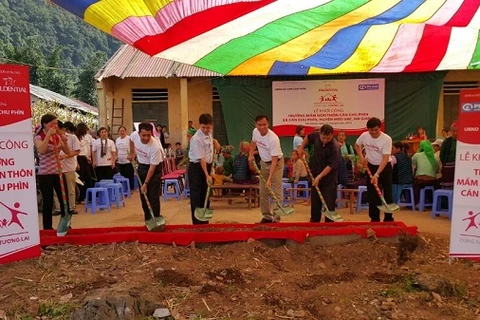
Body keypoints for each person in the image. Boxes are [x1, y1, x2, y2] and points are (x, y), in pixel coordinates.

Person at [34, 114, 72, 230]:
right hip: (45, 174)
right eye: (53, 123)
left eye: (56, 123)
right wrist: (48, 136)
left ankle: (66, 225)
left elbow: (68, 152)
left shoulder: (57, 137)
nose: (55, 126)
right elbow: (41, 150)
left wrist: (64, 141)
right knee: (48, 201)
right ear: (45, 124)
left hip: (58, 173)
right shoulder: (38, 137)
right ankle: (47, 228)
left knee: (64, 199)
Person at [355, 117, 394, 222]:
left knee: (387, 193)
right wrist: (361, 157)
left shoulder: (387, 139)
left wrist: (377, 175)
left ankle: (388, 218)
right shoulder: (364, 136)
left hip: (384, 167)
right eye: (371, 130)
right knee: (372, 195)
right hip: (370, 167)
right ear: (368, 129)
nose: (373, 132)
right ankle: (374, 219)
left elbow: (385, 158)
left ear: (380, 128)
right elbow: (357, 145)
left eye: (376, 130)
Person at [298, 124, 340, 223]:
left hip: (329, 179)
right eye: (323, 138)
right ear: (320, 134)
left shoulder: (335, 147)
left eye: (328, 138)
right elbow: (308, 137)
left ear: (332, 135)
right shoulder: (316, 136)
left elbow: (330, 166)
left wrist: (320, 177)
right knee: (315, 204)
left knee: (329, 205)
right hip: (315, 174)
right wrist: (301, 147)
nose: (325, 140)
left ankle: (329, 227)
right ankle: (314, 223)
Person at [249, 115, 284, 223]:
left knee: (276, 191)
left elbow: (274, 160)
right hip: (264, 163)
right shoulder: (255, 132)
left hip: (276, 164)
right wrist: (250, 155)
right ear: (256, 125)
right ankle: (267, 216)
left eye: (264, 124)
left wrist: (269, 179)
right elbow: (253, 142)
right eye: (260, 125)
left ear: (268, 125)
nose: (262, 127)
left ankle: (276, 218)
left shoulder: (273, 139)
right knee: (263, 190)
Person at [128, 123, 165, 223]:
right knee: (143, 195)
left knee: (153, 196)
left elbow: (152, 168)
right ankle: (148, 219)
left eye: (148, 135)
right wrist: (132, 153)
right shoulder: (134, 135)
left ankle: (156, 218)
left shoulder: (155, 146)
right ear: (139, 133)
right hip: (142, 166)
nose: (146, 138)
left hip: (155, 167)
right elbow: (131, 140)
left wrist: (146, 183)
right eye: (143, 135)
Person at [188, 114, 221, 224]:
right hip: (197, 168)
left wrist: (215, 142)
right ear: (199, 125)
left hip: (207, 166)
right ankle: (197, 223)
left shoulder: (209, 133)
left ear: (211, 125)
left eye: (208, 127)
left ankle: (205, 222)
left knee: (205, 194)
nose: (206, 130)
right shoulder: (197, 139)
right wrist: (207, 175)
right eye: (203, 127)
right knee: (197, 196)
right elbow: (201, 159)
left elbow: (210, 141)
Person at [58, 121, 81, 215]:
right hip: (56, 167)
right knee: (57, 190)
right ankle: (58, 208)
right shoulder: (52, 138)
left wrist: (65, 156)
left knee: (71, 188)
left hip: (69, 166)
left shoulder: (72, 137)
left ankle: (72, 207)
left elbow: (77, 151)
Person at [412, 140, 439, 204]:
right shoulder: (435, 157)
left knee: (414, 184)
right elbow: (437, 170)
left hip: (420, 180)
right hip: (431, 181)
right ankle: (431, 202)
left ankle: (417, 203)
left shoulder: (417, 155)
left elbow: (413, 165)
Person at [75, 123, 94, 200]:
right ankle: (81, 197)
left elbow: (84, 149)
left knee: (88, 177)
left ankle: (89, 196)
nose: (87, 130)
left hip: (84, 157)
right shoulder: (76, 137)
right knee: (81, 178)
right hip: (78, 158)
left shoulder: (85, 137)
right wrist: (76, 162)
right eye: (86, 129)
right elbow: (76, 150)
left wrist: (87, 157)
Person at [116, 126, 135, 191]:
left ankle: (131, 189)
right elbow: (117, 149)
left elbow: (133, 148)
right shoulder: (117, 140)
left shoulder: (129, 138)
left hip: (128, 160)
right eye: (120, 131)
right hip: (120, 160)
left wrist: (131, 155)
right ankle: (124, 188)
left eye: (123, 131)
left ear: (125, 131)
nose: (122, 132)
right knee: (122, 175)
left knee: (129, 175)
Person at [439, 122, 458, 190]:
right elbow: (442, 154)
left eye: (457, 131)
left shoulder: (462, 142)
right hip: (448, 166)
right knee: (448, 186)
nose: (456, 133)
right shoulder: (447, 141)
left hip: (458, 167)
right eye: (454, 131)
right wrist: (444, 163)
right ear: (451, 131)